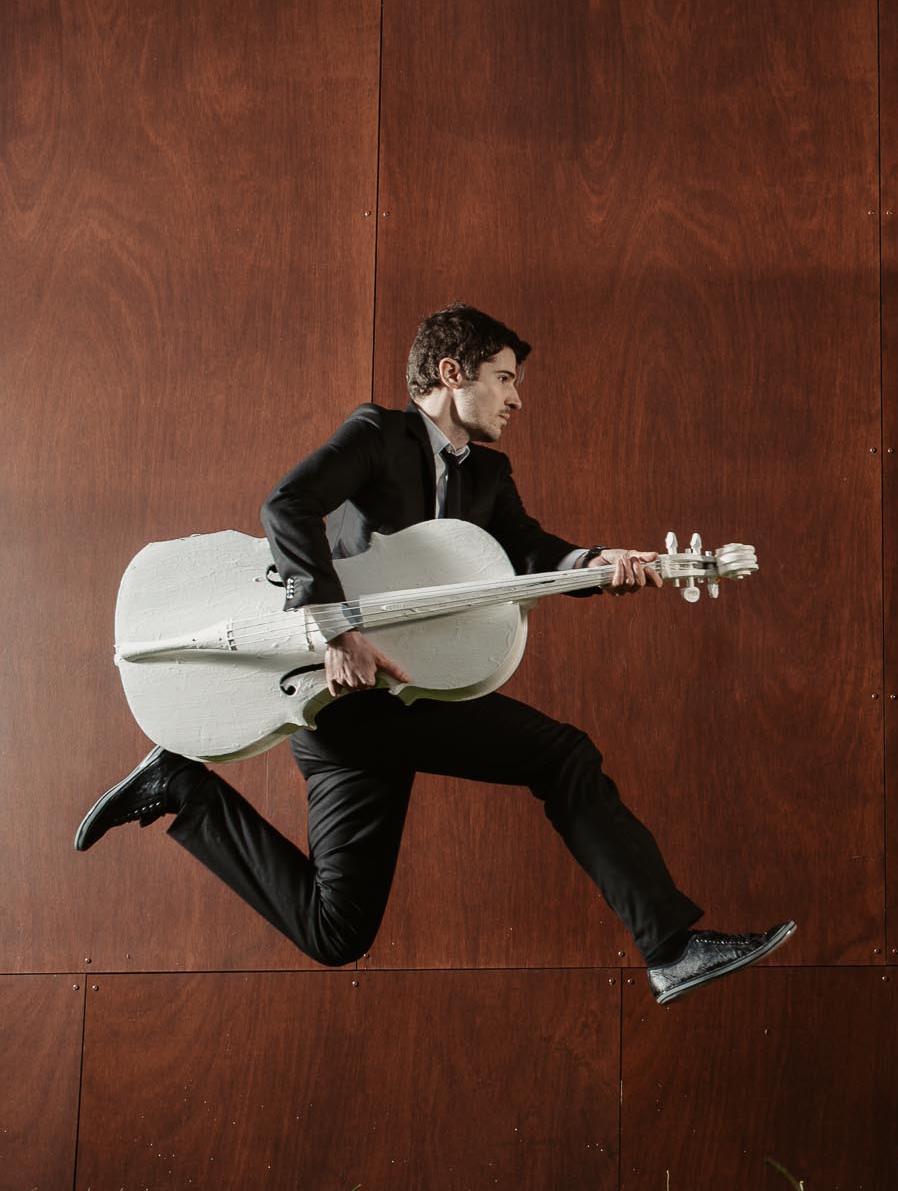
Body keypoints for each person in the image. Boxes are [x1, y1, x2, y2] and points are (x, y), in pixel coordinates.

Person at [74, 302, 793, 1003]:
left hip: (389, 706)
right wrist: (337, 632)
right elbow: (285, 506)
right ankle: (671, 948)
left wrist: (605, 562)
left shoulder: (488, 477)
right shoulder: (378, 436)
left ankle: (180, 787)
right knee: (562, 755)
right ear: (453, 371)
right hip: (346, 688)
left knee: (337, 930)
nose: (516, 398)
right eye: (505, 377)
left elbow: (532, 553)